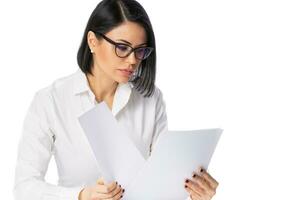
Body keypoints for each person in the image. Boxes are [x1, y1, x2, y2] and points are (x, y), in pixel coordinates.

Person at [13, 0, 219, 199]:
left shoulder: (150, 98)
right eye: (122, 47)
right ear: (93, 41)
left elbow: (161, 185)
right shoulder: (51, 100)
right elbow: (24, 188)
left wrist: (193, 193)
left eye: (140, 51)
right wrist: (80, 196)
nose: (132, 61)